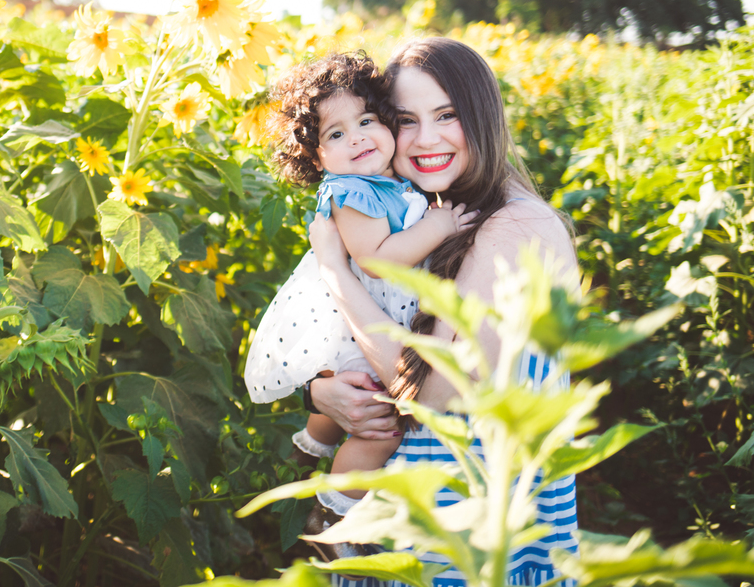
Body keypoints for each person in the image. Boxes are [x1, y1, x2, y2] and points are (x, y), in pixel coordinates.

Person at [306, 37, 580, 587]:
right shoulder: (432, 214)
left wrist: (334, 270)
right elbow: (388, 341)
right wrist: (321, 391)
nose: (426, 139)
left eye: (447, 115)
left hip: (470, 539)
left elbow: (436, 390)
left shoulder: (514, 226)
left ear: (481, 116)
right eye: (406, 119)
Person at [243, 51, 474, 545]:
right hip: (358, 320)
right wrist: (439, 225)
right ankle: (334, 512)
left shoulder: (387, 182)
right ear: (317, 158)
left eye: (367, 120)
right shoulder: (353, 193)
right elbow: (377, 261)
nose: (358, 138)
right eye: (336, 135)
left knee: (350, 397)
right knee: (379, 424)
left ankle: (309, 446)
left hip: (372, 315)